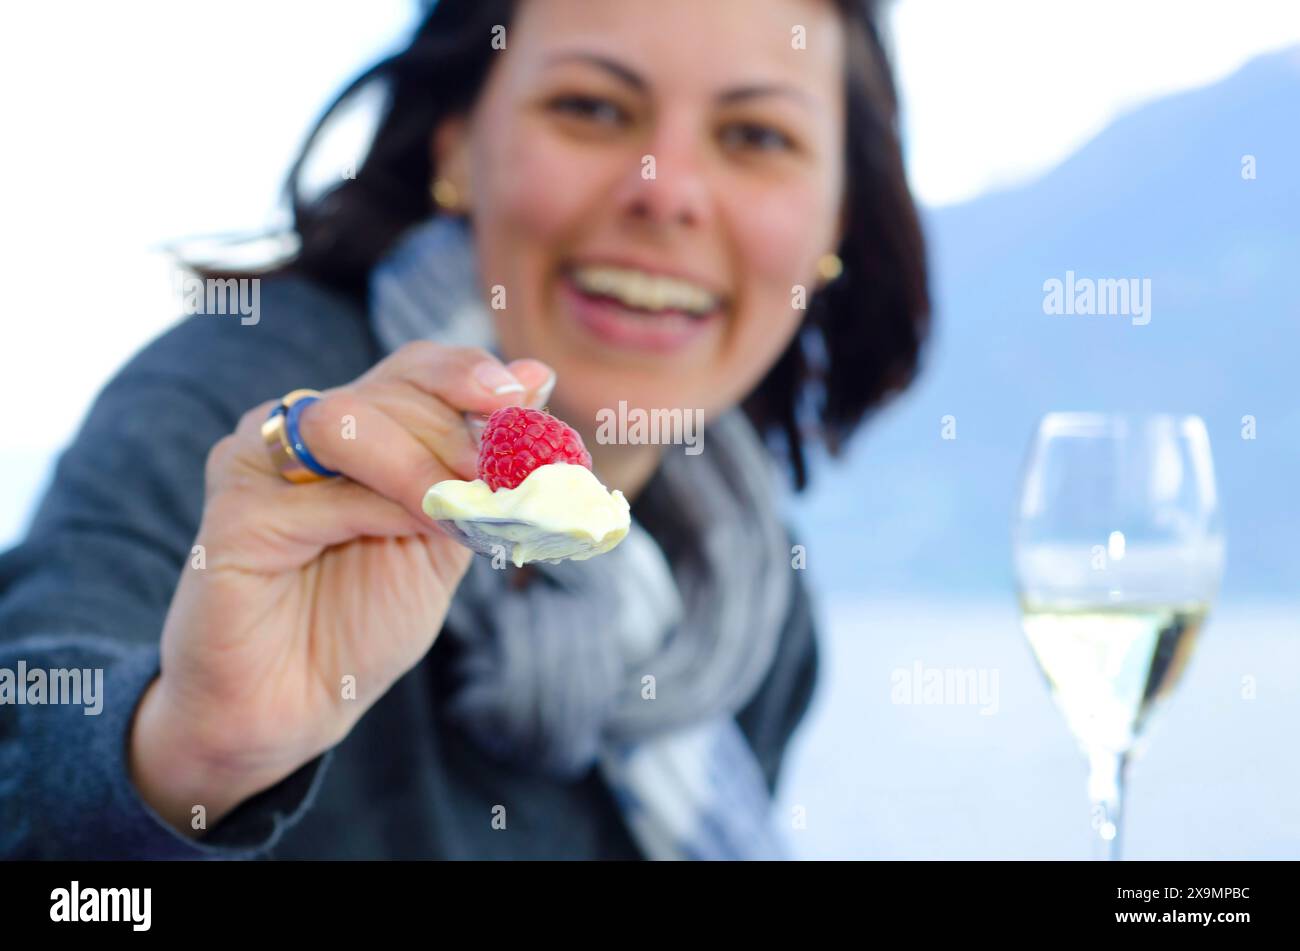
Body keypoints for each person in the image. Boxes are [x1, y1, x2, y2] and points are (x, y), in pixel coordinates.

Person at [0, 0, 928, 860]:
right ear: (456, 148)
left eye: (755, 135)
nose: (668, 190)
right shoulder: (249, 415)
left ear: (834, 219)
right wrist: (188, 759)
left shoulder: (750, 595)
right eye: (594, 109)